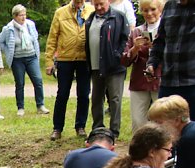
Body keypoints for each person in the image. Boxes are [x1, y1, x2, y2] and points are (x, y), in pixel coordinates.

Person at [45, 0, 94, 141]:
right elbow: (52, 38)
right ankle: (57, 128)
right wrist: (49, 61)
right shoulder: (60, 12)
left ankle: (81, 126)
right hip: (65, 58)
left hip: (85, 58)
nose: (79, 2)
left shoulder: (91, 10)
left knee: (84, 94)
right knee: (62, 94)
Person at [85, 0, 129, 140]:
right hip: (95, 65)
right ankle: (97, 128)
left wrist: (117, 55)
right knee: (97, 98)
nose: (98, 7)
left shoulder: (119, 17)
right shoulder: (90, 18)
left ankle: (114, 131)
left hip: (114, 66)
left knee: (115, 99)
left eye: (101, 4)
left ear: (108, 2)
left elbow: (126, 39)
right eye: (95, 4)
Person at [0, 5, 49, 117]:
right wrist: (7, 51)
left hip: (31, 56)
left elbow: (35, 38)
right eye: (21, 15)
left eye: (24, 14)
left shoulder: (30, 24)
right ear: (15, 16)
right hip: (17, 60)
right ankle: (20, 108)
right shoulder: (8, 28)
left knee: (38, 80)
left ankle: (40, 105)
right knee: (20, 83)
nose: (23, 17)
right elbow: (0, 42)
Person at [122, 0, 163, 131]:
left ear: (160, 9)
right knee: (138, 121)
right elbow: (124, 60)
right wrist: (135, 48)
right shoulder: (136, 32)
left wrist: (158, 48)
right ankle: (140, 150)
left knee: (162, 120)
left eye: (152, 9)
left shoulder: (167, 29)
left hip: (162, 80)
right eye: (145, 10)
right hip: (140, 81)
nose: (149, 13)